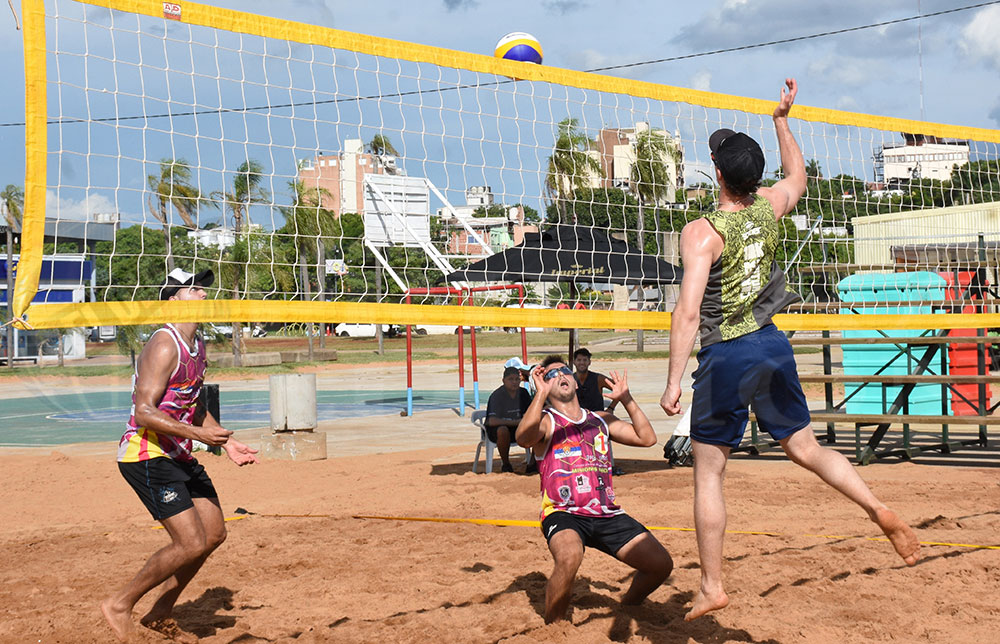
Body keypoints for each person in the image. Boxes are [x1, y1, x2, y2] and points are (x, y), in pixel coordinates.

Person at [659, 78, 920, 622]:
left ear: (719, 174)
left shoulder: (702, 233)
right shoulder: (771, 207)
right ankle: (877, 508)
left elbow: (686, 312)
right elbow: (796, 175)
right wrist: (781, 120)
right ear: (754, 178)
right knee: (806, 448)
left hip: (726, 354)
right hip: (773, 346)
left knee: (708, 473)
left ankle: (711, 584)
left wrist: (670, 381)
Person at [101, 268, 259, 642]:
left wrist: (223, 440)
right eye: (193, 289)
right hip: (146, 453)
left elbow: (192, 400)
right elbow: (144, 412)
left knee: (214, 534)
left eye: (203, 288)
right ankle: (120, 604)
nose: (203, 294)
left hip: (177, 451)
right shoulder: (164, 343)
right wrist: (199, 434)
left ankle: (160, 611)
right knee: (188, 542)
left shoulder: (197, 343)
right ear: (172, 299)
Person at [517, 356, 673, 623]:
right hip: (563, 512)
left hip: (606, 513)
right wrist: (539, 395)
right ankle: (554, 628)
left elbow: (647, 438)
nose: (560, 376)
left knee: (661, 565)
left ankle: (629, 605)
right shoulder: (546, 421)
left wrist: (627, 399)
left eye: (565, 371)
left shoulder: (600, 419)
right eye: (551, 375)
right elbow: (523, 438)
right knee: (570, 555)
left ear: (576, 383)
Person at [485, 366, 533, 472]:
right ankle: (506, 464)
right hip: (498, 432)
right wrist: (514, 422)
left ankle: (533, 463)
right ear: (503, 381)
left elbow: (531, 412)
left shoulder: (523, 393)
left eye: (517, 379)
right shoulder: (496, 396)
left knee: (539, 427)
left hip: (520, 429)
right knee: (503, 430)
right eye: (511, 379)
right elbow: (492, 421)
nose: (514, 382)